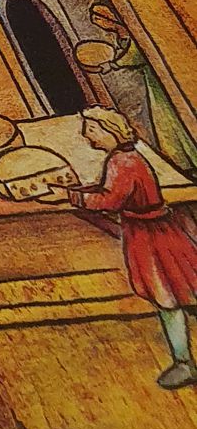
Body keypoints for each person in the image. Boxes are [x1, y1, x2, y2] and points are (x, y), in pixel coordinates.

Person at [58, 106, 197, 390]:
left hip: (153, 238)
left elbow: (109, 200)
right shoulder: (123, 158)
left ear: (110, 131)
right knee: (178, 292)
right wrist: (80, 192)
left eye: (92, 129)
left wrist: (72, 196)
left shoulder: (123, 163)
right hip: (150, 233)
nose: (86, 135)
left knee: (167, 298)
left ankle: (184, 363)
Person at [90, 4, 197, 180]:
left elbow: (135, 55)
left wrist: (111, 65)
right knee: (164, 124)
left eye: (99, 20)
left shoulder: (131, 32)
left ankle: (190, 160)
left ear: (108, 18)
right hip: (153, 83)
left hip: (162, 83)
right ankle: (185, 164)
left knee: (170, 121)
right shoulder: (122, 35)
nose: (100, 25)